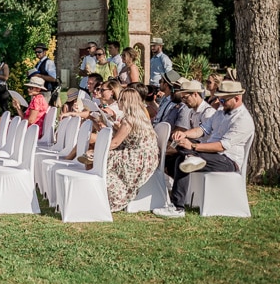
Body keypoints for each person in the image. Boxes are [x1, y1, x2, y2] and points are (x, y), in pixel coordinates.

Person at [154, 80, 254, 218]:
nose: (220, 102)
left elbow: (221, 146)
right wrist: (185, 134)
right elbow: (203, 130)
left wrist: (193, 146)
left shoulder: (242, 119)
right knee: (178, 151)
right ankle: (189, 159)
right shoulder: (220, 112)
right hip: (208, 153)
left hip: (228, 160)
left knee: (182, 158)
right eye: (219, 98)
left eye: (223, 100)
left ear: (237, 98)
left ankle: (178, 208)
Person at [104, 88, 160, 211]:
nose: (118, 102)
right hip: (148, 157)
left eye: (120, 100)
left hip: (138, 159)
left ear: (125, 102)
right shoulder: (141, 116)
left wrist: (99, 150)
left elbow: (115, 142)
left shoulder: (129, 119)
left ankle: (117, 196)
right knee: (107, 157)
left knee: (104, 161)